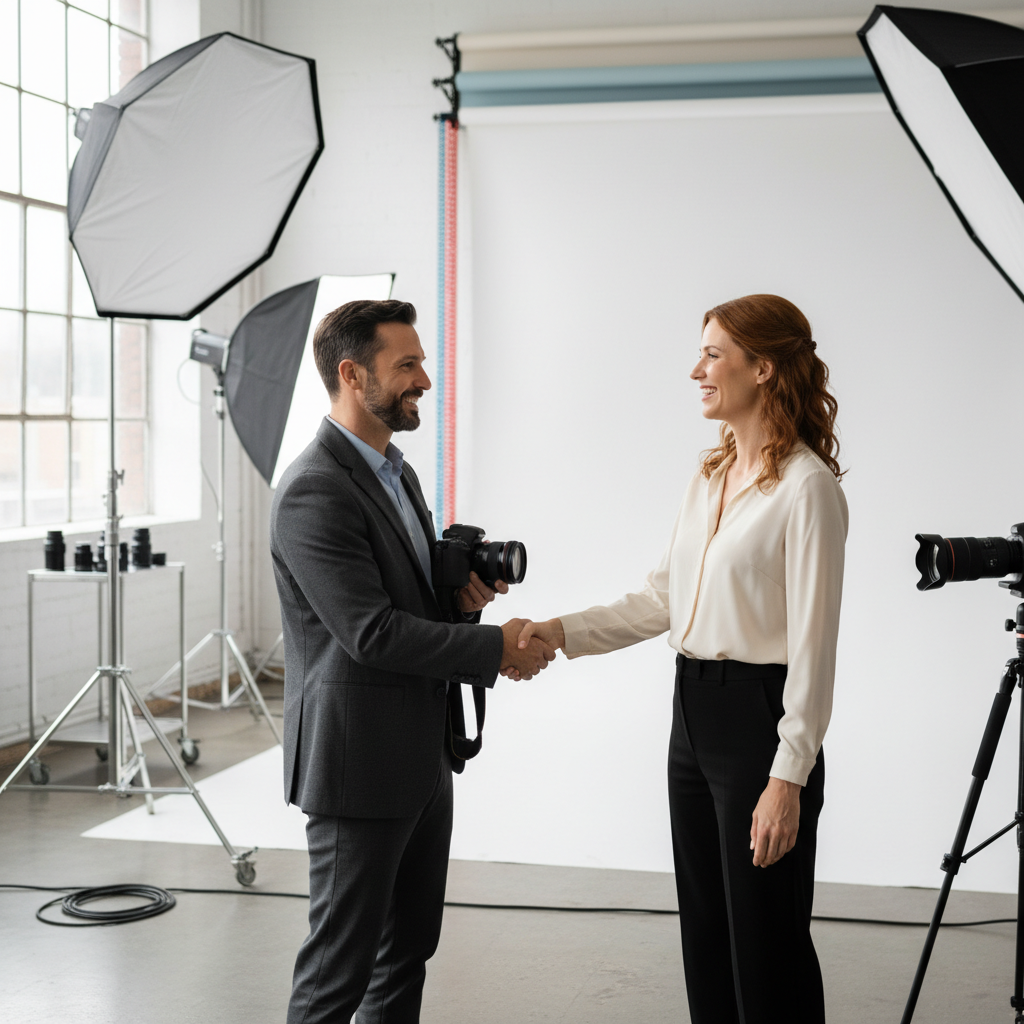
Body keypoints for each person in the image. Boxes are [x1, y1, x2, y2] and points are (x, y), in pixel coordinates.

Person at [518, 294, 847, 1024]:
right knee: (707, 933)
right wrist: (556, 630)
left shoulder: (807, 489)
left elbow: (815, 650)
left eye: (712, 354)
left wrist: (787, 777)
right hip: (691, 716)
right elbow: (659, 602)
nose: (695, 369)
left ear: (762, 368)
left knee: (767, 942)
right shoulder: (709, 476)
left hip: (760, 722)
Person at [270, 298, 555, 1024]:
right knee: (339, 971)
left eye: (421, 363)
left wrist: (461, 603)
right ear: (350, 373)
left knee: (406, 955)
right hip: (358, 765)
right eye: (407, 365)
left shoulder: (395, 473)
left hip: (422, 757)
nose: (423, 379)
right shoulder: (313, 491)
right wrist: (496, 648)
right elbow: (371, 632)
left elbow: (409, 611)